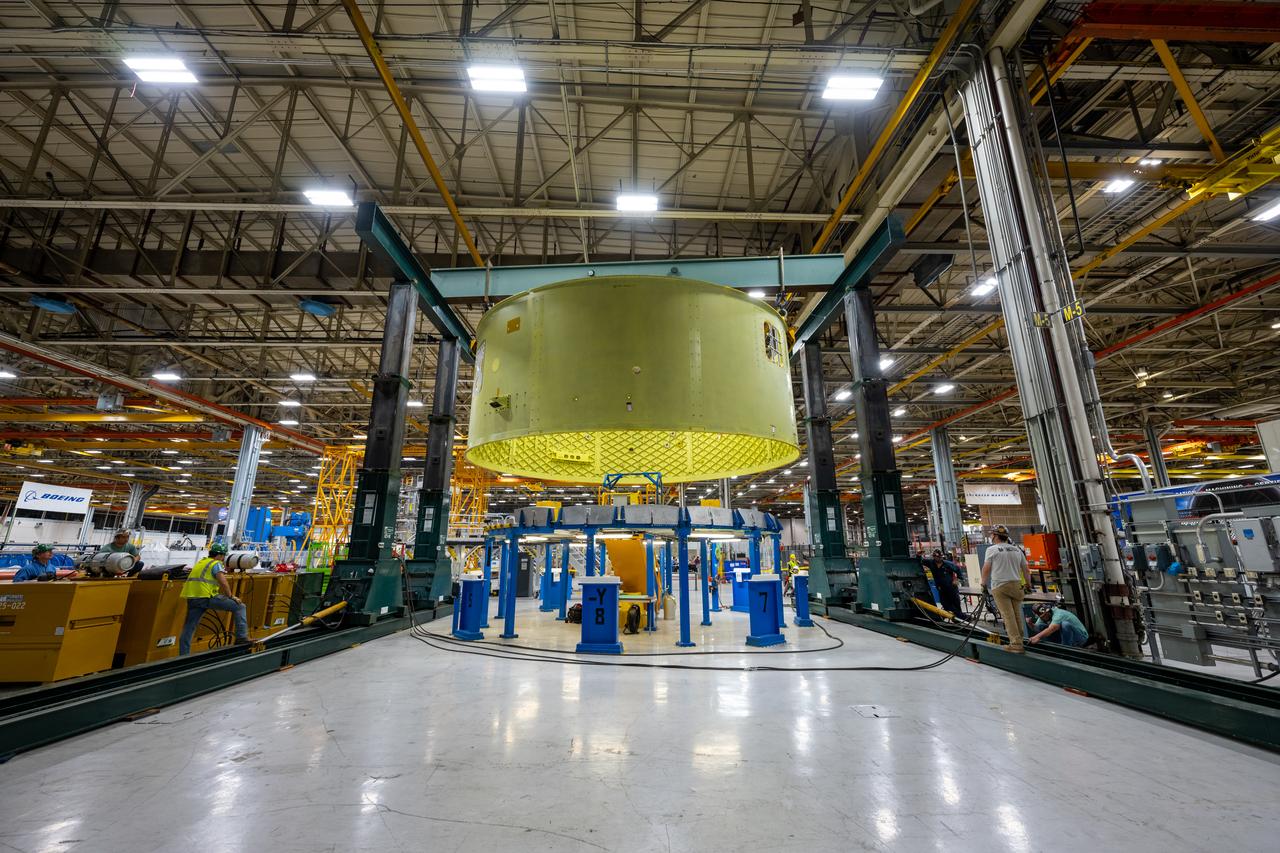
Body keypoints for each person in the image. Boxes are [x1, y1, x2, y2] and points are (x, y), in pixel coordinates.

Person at [178, 542, 249, 655]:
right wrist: (231, 596)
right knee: (240, 607)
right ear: (220, 555)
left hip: (193, 598)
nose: (223, 558)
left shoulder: (201, 562)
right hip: (206, 597)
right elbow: (223, 582)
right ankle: (241, 637)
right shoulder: (216, 563)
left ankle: (183, 656)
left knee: (189, 628)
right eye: (223, 556)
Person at [980, 526, 1029, 653]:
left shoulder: (992, 549)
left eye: (992, 534)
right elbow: (1026, 569)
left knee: (1008, 616)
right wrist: (1028, 585)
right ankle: (1020, 641)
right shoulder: (1017, 549)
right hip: (1017, 585)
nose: (991, 536)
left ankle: (1016, 644)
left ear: (995, 536)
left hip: (1000, 586)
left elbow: (986, 568)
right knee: (1017, 615)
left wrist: (983, 584)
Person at [11, 544, 78, 581]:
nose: (51, 553)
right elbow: (16, 583)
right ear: (38, 555)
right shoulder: (27, 569)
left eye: (51, 551)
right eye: (47, 551)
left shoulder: (52, 568)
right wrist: (35, 580)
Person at [930, 548, 964, 616]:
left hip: (951, 588)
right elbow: (922, 561)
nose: (940, 559)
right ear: (934, 557)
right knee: (945, 605)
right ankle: (961, 617)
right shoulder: (931, 563)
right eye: (938, 557)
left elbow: (958, 569)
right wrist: (918, 556)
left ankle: (961, 618)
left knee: (956, 604)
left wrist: (957, 579)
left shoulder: (948, 564)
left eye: (940, 557)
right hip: (941, 589)